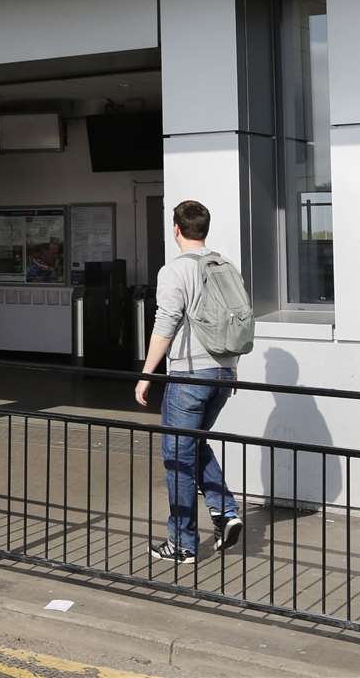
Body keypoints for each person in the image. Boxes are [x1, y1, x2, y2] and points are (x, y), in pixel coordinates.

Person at [134, 200, 244, 565]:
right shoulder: (226, 265)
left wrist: (147, 374)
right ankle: (225, 512)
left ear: (176, 229)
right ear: (205, 229)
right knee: (192, 446)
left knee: (177, 457)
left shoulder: (176, 270)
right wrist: (231, 371)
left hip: (190, 376)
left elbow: (165, 324)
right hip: (224, 374)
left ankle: (182, 543)